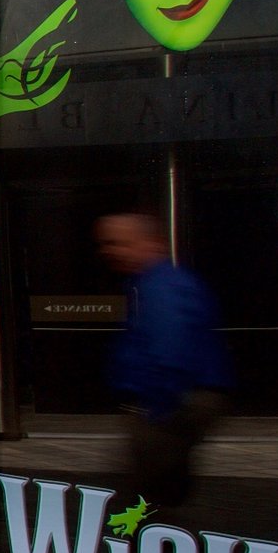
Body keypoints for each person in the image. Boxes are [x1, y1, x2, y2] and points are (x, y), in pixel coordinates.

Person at [96, 213, 229, 507]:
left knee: (149, 493)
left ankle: (151, 546)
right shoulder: (153, 283)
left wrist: (156, 409)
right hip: (171, 400)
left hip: (167, 402)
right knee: (162, 487)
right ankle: (158, 543)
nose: (110, 251)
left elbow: (170, 349)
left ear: (151, 243)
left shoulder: (160, 286)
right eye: (107, 244)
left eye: (120, 244)